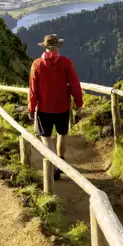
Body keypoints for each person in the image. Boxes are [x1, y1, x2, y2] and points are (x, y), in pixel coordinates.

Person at [28, 34, 83, 181]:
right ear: (57, 46)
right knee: (61, 134)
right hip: (62, 106)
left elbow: (33, 89)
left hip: (44, 107)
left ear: (45, 47)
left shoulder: (37, 64)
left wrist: (31, 108)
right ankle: (61, 161)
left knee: (45, 138)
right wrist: (79, 103)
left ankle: (54, 166)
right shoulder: (66, 62)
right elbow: (74, 84)